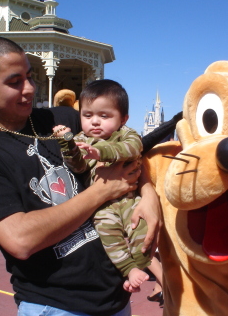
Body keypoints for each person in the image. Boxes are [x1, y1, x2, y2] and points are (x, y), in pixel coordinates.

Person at [0, 36, 161, 316]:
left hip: (116, 300)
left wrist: (148, 195)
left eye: (30, 77)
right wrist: (101, 192)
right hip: (56, 306)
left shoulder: (61, 119)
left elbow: (125, 149)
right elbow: (19, 240)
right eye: (14, 82)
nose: (29, 89)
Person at [52, 79, 159, 291]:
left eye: (104, 116)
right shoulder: (81, 139)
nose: (95, 122)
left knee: (142, 233)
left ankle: (139, 266)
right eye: (87, 115)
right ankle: (129, 270)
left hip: (130, 200)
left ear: (123, 119)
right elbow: (79, 167)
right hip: (102, 207)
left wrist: (101, 152)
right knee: (109, 236)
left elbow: (132, 148)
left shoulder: (126, 134)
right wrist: (67, 144)